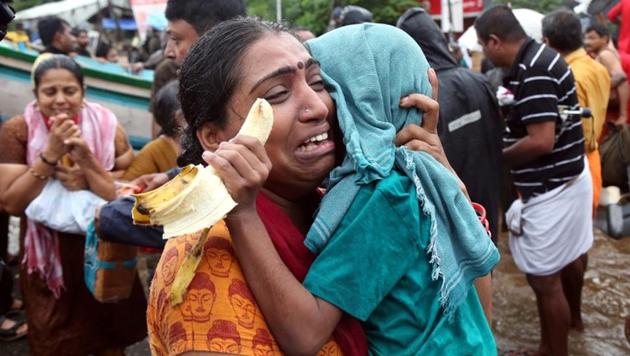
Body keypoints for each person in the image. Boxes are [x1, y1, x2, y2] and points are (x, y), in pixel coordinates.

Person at [148, 18, 498, 355]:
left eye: (319, 83)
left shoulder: (348, 201)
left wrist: (442, 181)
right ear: (215, 137)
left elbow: (477, 303)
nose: (318, 106)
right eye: (278, 93)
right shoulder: (206, 265)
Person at [0, 54, 146, 355]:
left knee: (110, 337)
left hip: (103, 250)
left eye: (70, 91)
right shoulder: (18, 131)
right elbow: (10, 202)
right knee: (57, 339)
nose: (60, 100)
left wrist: (86, 172)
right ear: (36, 95)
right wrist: (48, 156)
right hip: (51, 262)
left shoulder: (106, 124)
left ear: (82, 92)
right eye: (50, 92)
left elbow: (129, 174)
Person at [475, 6, 593, 356]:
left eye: (484, 46)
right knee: (572, 255)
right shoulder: (538, 57)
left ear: (494, 41)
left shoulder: (536, 69)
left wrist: (493, 157)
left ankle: (553, 350)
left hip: (554, 186)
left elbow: (542, 140)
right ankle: (574, 323)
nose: (485, 54)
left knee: (544, 280)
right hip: (570, 176)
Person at [397, 7, 503, 241]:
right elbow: (499, 135)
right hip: (487, 195)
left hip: (453, 204)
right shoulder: (479, 81)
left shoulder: (424, 98)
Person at [542, 10, 610, 216]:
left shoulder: (567, 76)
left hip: (574, 165)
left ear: (547, 41)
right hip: (593, 156)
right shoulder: (597, 67)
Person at [585, 23, 630, 127]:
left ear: (604, 39)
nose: (586, 42)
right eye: (586, 38)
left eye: (592, 38)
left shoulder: (605, 55)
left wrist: (623, 115)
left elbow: (621, 78)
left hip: (616, 116)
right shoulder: (603, 55)